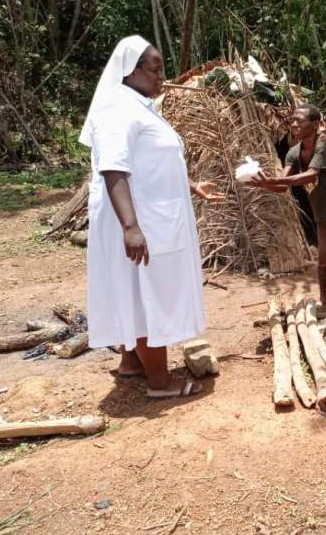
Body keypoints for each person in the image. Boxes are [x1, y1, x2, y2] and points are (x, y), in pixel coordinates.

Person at [79, 35, 222, 399]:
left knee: (135, 286)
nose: (162, 75)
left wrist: (190, 184)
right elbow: (114, 169)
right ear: (131, 70)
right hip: (136, 219)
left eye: (161, 68)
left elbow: (150, 163)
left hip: (153, 216)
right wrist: (131, 227)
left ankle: (132, 362)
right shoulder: (117, 108)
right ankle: (160, 382)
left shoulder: (138, 106)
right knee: (144, 293)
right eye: (155, 68)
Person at [250, 104, 326, 309]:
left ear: (315, 124)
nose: (294, 124)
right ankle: (324, 300)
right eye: (293, 120)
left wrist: (275, 180)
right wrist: (265, 184)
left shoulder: (324, 143)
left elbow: (311, 175)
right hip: (323, 209)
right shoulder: (293, 153)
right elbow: (282, 187)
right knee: (324, 257)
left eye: (300, 120)